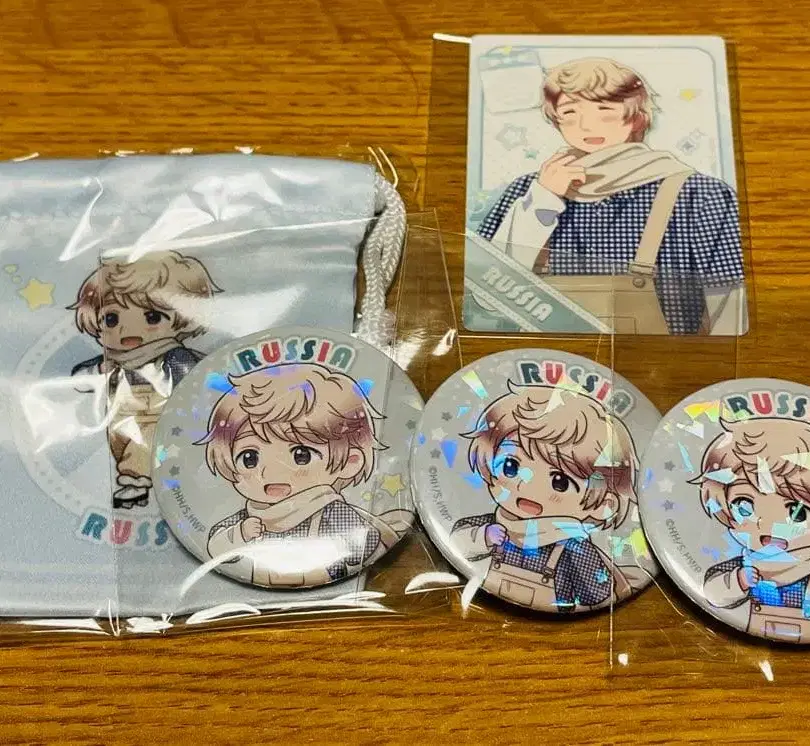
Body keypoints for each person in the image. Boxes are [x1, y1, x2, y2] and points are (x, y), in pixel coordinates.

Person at [477, 57, 746, 335]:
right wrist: (542, 202)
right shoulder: (528, 190)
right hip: (549, 358)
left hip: (662, 356)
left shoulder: (699, 195)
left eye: (604, 109)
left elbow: (731, 307)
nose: (586, 126)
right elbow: (485, 299)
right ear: (556, 121)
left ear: (637, 117)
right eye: (570, 112)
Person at [201, 362, 411, 587]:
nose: (271, 472)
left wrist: (341, 545)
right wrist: (240, 533)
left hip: (331, 588)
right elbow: (216, 548)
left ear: (350, 462)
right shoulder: (251, 516)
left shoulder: (329, 509)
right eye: (249, 457)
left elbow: (363, 546)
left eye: (301, 455)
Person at [450, 382, 642, 612]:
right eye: (511, 466)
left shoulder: (573, 544)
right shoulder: (498, 524)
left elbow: (597, 594)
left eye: (560, 481)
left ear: (604, 505)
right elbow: (456, 541)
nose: (527, 485)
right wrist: (483, 536)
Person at [71, 250, 221, 509]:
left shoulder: (173, 356)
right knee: (125, 450)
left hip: (161, 419)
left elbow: (196, 380)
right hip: (120, 420)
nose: (127, 329)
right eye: (111, 318)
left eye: (152, 317)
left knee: (146, 448)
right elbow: (79, 380)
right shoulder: (113, 361)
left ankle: (138, 480)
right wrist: (100, 370)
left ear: (183, 318)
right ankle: (140, 479)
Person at [693, 417, 810, 641]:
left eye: (797, 512)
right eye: (744, 506)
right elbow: (712, 592)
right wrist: (740, 580)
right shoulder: (748, 564)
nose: (767, 525)